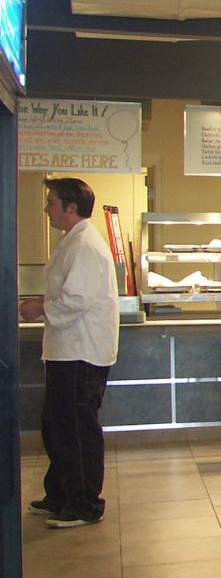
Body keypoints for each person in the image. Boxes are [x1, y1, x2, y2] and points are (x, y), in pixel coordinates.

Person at [17, 178, 119, 529]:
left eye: (51, 202)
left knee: (76, 429)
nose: (47, 208)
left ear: (70, 208)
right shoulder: (71, 242)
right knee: (56, 425)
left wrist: (40, 308)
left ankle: (85, 503)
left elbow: (77, 299)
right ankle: (60, 494)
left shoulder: (86, 246)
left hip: (81, 352)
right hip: (67, 351)